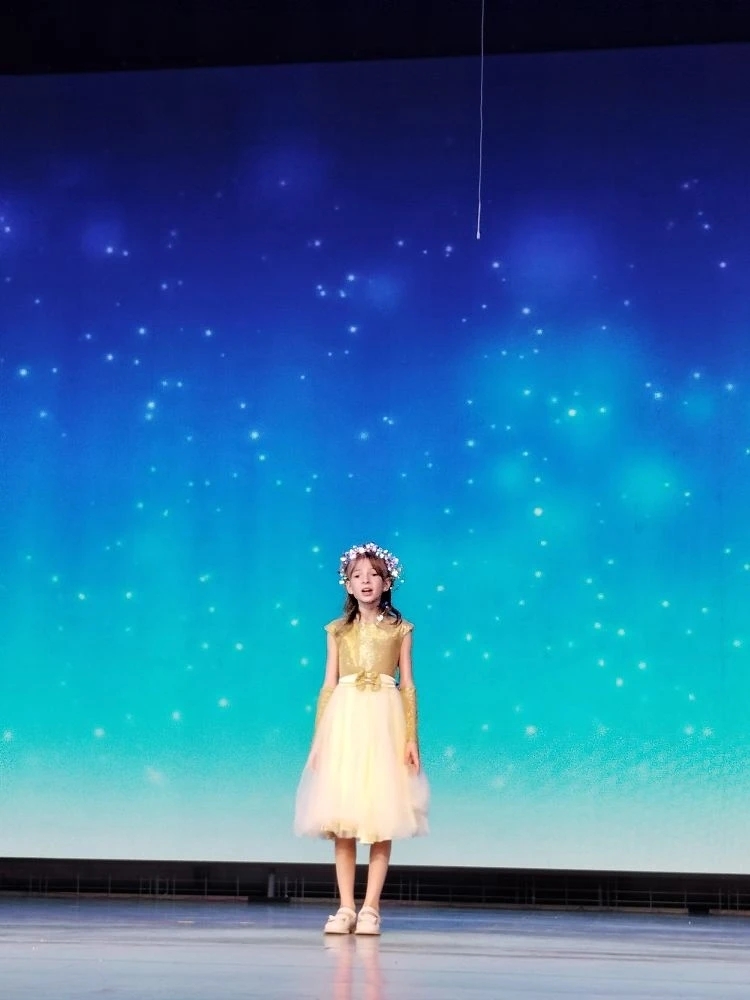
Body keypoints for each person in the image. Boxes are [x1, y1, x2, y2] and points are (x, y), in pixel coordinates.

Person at [294, 541, 429, 936]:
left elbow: (408, 686)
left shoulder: (401, 629)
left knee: (382, 810)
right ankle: (345, 907)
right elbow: (328, 685)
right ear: (348, 584)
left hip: (384, 722)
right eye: (357, 576)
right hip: (347, 720)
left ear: (387, 583)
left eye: (374, 575)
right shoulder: (337, 630)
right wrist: (319, 740)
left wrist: (411, 738)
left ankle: (371, 908)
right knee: (344, 814)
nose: (366, 581)